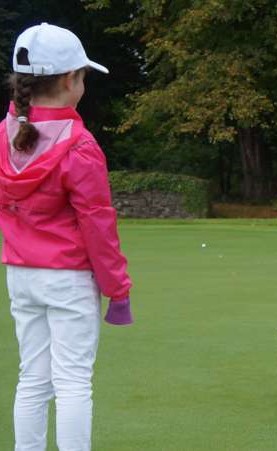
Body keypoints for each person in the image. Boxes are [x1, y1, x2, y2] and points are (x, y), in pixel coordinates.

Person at [0, 23, 133, 450]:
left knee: (33, 377)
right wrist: (118, 289)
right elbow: (98, 225)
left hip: (21, 274)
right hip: (68, 279)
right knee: (73, 381)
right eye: (82, 76)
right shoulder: (80, 145)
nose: (83, 84)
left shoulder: (5, 134)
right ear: (67, 80)